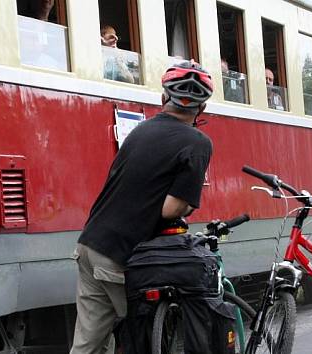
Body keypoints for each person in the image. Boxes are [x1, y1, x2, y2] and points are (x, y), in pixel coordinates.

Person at [70, 60, 214, 354]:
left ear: (163, 99)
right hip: (124, 256)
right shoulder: (197, 142)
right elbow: (171, 210)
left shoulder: (139, 131)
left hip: (91, 244)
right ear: (202, 110)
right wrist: (184, 207)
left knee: (88, 345)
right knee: (144, 341)